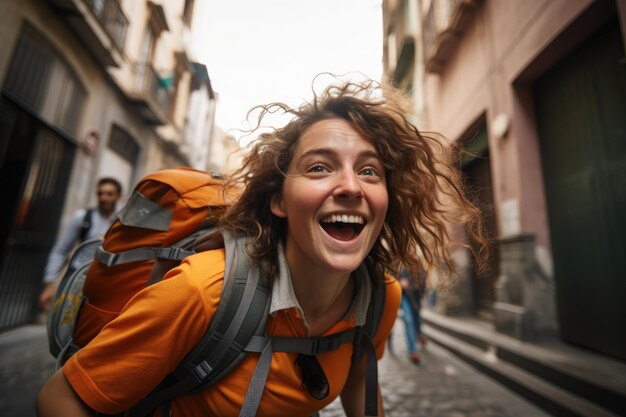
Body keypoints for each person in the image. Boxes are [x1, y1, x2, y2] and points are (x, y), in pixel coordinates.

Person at [37, 77, 486, 417]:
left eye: (370, 172)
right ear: (278, 200)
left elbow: (359, 381)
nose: (351, 186)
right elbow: (59, 398)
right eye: (318, 167)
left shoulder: (378, 297)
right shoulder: (201, 291)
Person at [38, 177, 123, 310]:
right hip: (78, 280)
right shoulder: (82, 217)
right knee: (67, 323)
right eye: (100, 193)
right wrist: (49, 284)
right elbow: (60, 250)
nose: (104, 198)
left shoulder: (123, 222)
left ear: (119, 196)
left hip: (107, 282)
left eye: (109, 194)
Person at [398, 267, 426, 364]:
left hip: (415, 295)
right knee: (408, 319)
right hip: (404, 295)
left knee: (417, 318)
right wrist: (400, 282)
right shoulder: (399, 261)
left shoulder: (419, 265)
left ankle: (419, 334)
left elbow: (423, 278)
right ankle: (412, 350)